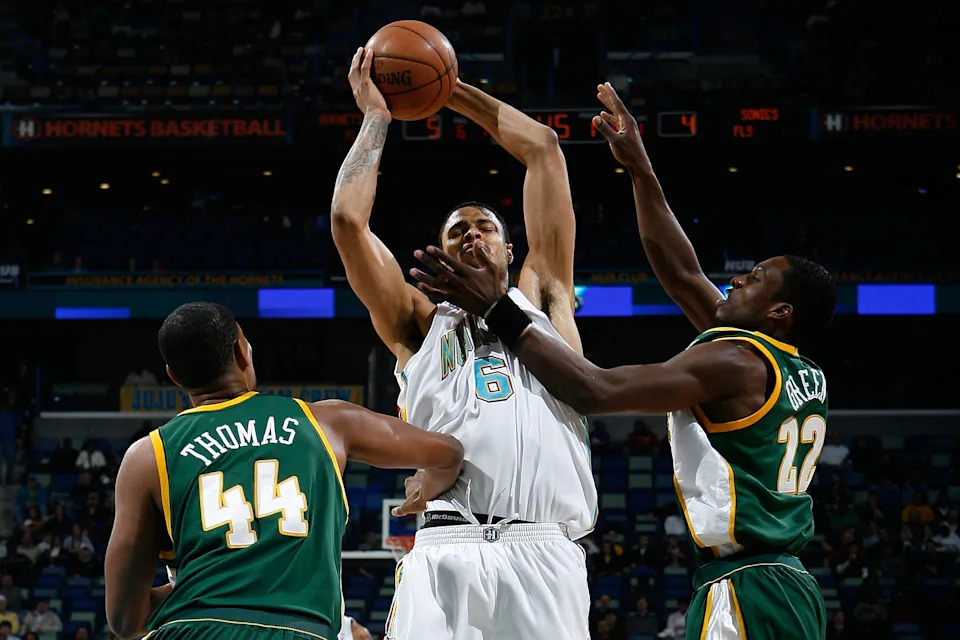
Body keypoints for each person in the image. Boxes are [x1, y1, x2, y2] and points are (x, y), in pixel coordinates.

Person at [410, 82, 835, 639]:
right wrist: (639, 169)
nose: (734, 279)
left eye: (753, 279)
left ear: (779, 312)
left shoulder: (734, 360)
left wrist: (499, 309)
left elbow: (596, 391)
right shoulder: (783, 362)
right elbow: (681, 273)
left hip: (748, 584)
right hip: (782, 581)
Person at [330, 48, 595, 640]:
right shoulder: (420, 323)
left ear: (509, 250)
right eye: (457, 232)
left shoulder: (546, 298)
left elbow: (544, 150)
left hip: (545, 547)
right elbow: (348, 224)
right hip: (446, 543)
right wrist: (378, 116)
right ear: (444, 255)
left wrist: (446, 89)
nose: (472, 235)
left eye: (486, 228)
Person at [104, 302, 463, 640]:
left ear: (173, 376)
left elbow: (125, 619)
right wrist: (426, 484)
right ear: (242, 353)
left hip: (192, 627)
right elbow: (448, 452)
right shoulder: (327, 422)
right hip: (299, 629)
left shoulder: (147, 457)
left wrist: (211, 581)